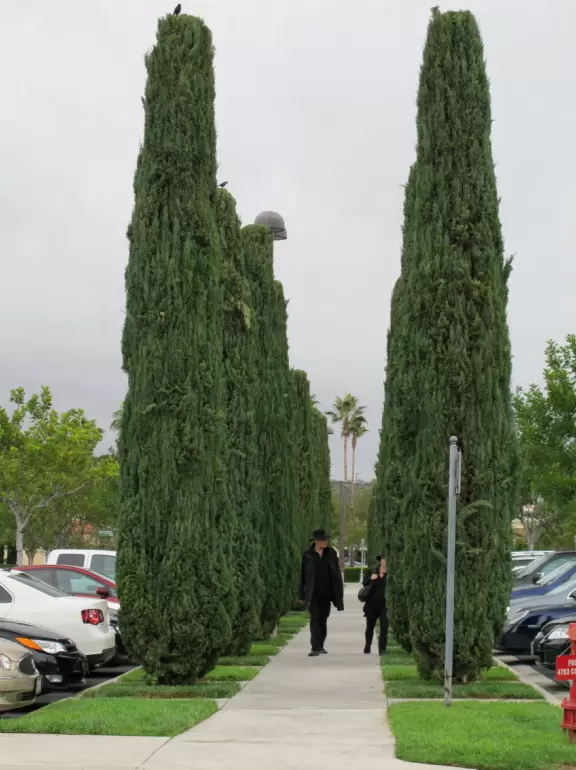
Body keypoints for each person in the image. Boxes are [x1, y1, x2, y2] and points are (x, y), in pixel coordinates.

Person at [299, 529, 344, 657]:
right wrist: (301, 595)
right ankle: (315, 647)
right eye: (323, 540)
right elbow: (303, 575)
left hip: (327, 592)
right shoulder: (307, 554)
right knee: (314, 618)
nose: (325, 542)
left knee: (323, 619)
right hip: (313, 593)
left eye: (326, 539)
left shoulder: (331, 553)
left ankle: (321, 645)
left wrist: (338, 593)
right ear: (316, 541)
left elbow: (336, 573)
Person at [362, 553, 388, 655]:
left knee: (384, 627)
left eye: (386, 558)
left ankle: (382, 649)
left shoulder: (390, 574)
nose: (384, 560)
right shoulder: (372, 571)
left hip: (384, 606)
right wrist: (370, 578)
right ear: (380, 560)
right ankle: (367, 646)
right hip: (371, 605)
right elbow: (364, 583)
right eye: (383, 558)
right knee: (370, 627)